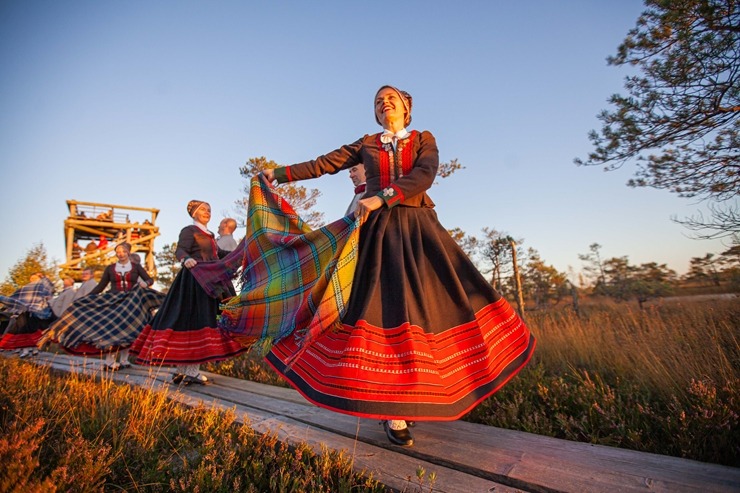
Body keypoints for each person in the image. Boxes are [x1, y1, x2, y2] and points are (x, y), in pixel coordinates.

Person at [252, 85, 536, 447]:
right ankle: (394, 411)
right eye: (377, 100)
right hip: (377, 235)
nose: (384, 102)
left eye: (391, 98)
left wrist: (381, 196)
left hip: (418, 230)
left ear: (406, 106)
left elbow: (425, 174)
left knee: (439, 304)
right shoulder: (367, 142)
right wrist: (278, 173)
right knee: (382, 311)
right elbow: (324, 163)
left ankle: (438, 391)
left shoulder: (422, 138)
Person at [129, 200, 246, 384]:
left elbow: (219, 255)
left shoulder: (210, 235)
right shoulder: (189, 231)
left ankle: (185, 371)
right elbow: (180, 250)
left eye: (209, 209)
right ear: (194, 214)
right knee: (192, 319)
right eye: (203, 210)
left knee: (201, 320)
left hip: (209, 281)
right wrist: (186, 259)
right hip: (193, 281)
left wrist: (244, 248)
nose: (207, 212)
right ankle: (188, 371)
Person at [41, 243, 163, 370]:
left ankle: (124, 360)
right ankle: (109, 362)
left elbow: (150, 280)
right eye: (118, 251)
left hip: (132, 302)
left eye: (123, 251)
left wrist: (145, 283)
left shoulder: (136, 267)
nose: (120, 254)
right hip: (115, 301)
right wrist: (86, 298)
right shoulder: (110, 268)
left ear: (128, 253)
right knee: (114, 331)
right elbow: (101, 286)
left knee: (130, 331)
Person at [0, 273, 55, 357]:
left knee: (34, 330)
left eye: (34, 278)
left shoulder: (42, 286)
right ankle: (26, 350)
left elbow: (49, 290)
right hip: (26, 311)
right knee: (25, 330)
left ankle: (34, 350)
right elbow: (16, 298)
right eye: (31, 278)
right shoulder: (27, 288)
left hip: (38, 311)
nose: (32, 280)